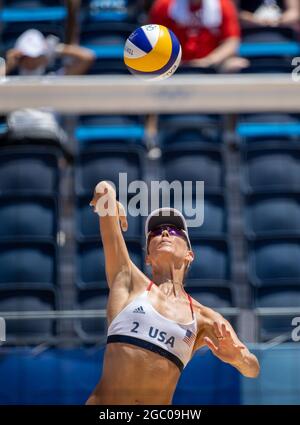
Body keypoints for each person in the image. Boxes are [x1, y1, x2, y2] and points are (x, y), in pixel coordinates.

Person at [86, 181, 260, 405]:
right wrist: (109, 198)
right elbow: (102, 189)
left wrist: (239, 359)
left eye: (174, 230)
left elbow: (253, 369)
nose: (165, 232)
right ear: (148, 257)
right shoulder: (127, 279)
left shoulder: (203, 318)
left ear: (189, 254)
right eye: (156, 232)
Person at [149, 0, 246, 72]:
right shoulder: (164, 5)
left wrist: (208, 61)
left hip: (212, 63)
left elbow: (231, 41)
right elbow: (154, 41)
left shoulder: (223, 5)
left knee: (236, 64)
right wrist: (175, 61)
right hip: (173, 64)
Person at [5, 28, 95, 76]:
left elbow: (87, 57)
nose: (31, 60)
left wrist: (56, 49)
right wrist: (7, 67)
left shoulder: (54, 76)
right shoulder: (10, 77)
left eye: (36, 56)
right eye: (25, 56)